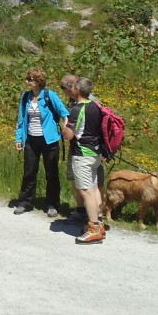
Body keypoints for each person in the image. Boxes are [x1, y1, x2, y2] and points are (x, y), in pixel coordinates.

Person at [13, 68, 69, 216]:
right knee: (29, 172)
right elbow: (21, 120)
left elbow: (65, 113)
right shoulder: (26, 97)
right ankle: (25, 202)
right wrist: (19, 138)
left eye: (30, 80)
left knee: (51, 173)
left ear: (38, 82)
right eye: (28, 79)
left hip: (49, 141)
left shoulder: (50, 96)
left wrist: (67, 127)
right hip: (31, 140)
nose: (27, 82)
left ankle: (52, 203)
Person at [63, 76, 107, 244]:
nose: (71, 88)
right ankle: (99, 223)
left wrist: (65, 124)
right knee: (95, 188)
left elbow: (69, 136)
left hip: (82, 154)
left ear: (78, 90)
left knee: (86, 191)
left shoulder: (77, 109)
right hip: (95, 153)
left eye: (73, 86)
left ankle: (93, 228)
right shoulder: (95, 105)